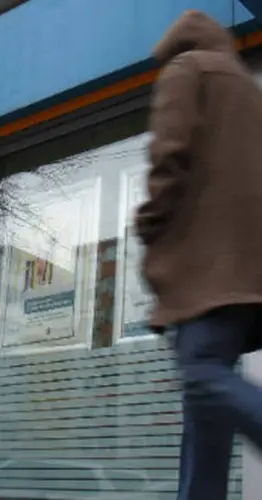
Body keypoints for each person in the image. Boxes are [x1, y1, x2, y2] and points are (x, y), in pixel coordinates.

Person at [137, 10, 262, 500]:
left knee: (203, 374)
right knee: (205, 416)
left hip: (205, 273)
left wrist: (149, 223)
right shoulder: (247, 87)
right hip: (246, 274)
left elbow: (169, 156)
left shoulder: (186, 70)